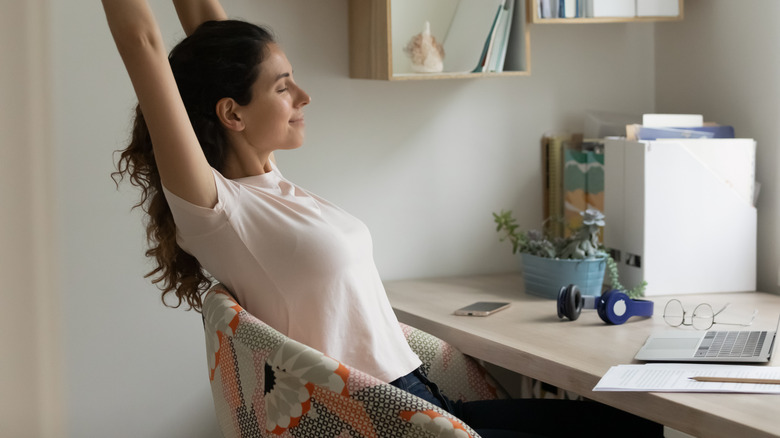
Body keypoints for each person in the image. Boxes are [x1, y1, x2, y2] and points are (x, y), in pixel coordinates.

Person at [101, 1, 663, 437]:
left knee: (630, 422)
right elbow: (143, 44)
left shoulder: (268, 181)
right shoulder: (220, 210)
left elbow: (215, 46)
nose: (304, 95)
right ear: (232, 114)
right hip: (384, 421)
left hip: (424, 402)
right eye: (282, 86)